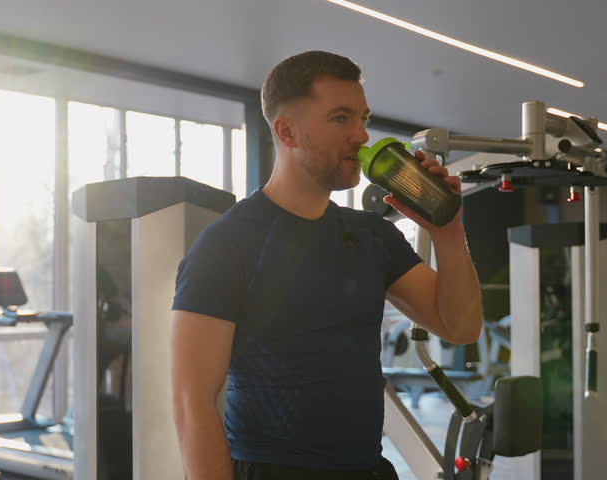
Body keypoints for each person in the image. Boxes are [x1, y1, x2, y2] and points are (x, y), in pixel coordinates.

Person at [170, 50, 482, 480]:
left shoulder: (372, 236)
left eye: (363, 118)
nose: (361, 135)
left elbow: (460, 326)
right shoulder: (227, 244)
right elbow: (193, 404)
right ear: (287, 132)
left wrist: (448, 233)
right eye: (340, 118)